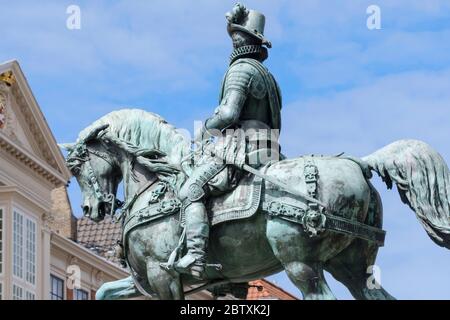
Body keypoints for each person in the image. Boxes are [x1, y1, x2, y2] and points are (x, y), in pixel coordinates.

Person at [176, 3, 283, 279]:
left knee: (191, 189)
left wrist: (204, 131)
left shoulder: (241, 70)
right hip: (269, 148)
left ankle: (196, 256)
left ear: (242, 39)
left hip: (241, 148)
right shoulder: (267, 76)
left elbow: (228, 113)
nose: (233, 39)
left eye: (235, 34)